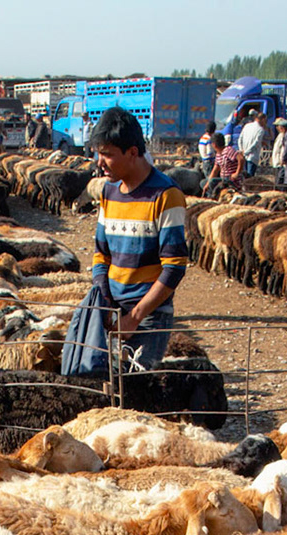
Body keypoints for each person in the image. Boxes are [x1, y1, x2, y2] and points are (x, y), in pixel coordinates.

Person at [88, 106, 187, 371]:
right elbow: (101, 254)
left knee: (137, 393)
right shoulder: (108, 193)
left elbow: (175, 266)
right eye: (98, 154)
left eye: (107, 155)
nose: (100, 162)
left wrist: (134, 317)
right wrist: (105, 300)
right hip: (111, 312)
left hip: (148, 318)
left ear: (133, 152)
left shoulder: (166, 196)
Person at [238, 109, 267, 176]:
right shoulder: (260, 130)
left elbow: (240, 139)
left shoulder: (247, 126)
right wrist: (246, 152)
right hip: (252, 156)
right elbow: (255, 144)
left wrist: (241, 150)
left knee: (243, 176)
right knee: (250, 178)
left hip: (243, 155)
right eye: (265, 121)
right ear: (262, 119)